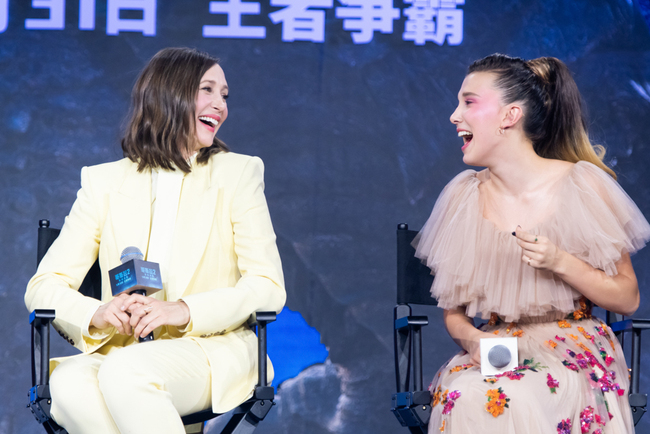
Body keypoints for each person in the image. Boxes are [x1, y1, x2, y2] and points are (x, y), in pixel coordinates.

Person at [25, 47, 285, 434]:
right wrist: (96, 313)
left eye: (224, 95)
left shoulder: (239, 174)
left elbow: (267, 287)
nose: (221, 105)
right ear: (168, 95)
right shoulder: (103, 182)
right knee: (67, 385)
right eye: (208, 90)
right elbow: (43, 288)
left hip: (211, 350)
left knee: (126, 372)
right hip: (122, 352)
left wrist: (183, 309)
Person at [414, 53, 650, 434]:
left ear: (510, 115)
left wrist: (561, 261)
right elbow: (454, 312)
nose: (455, 116)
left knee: (521, 395)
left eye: (469, 102)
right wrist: (473, 340)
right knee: (470, 393)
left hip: (572, 346)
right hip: (498, 347)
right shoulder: (464, 196)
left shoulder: (581, 184)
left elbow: (628, 298)